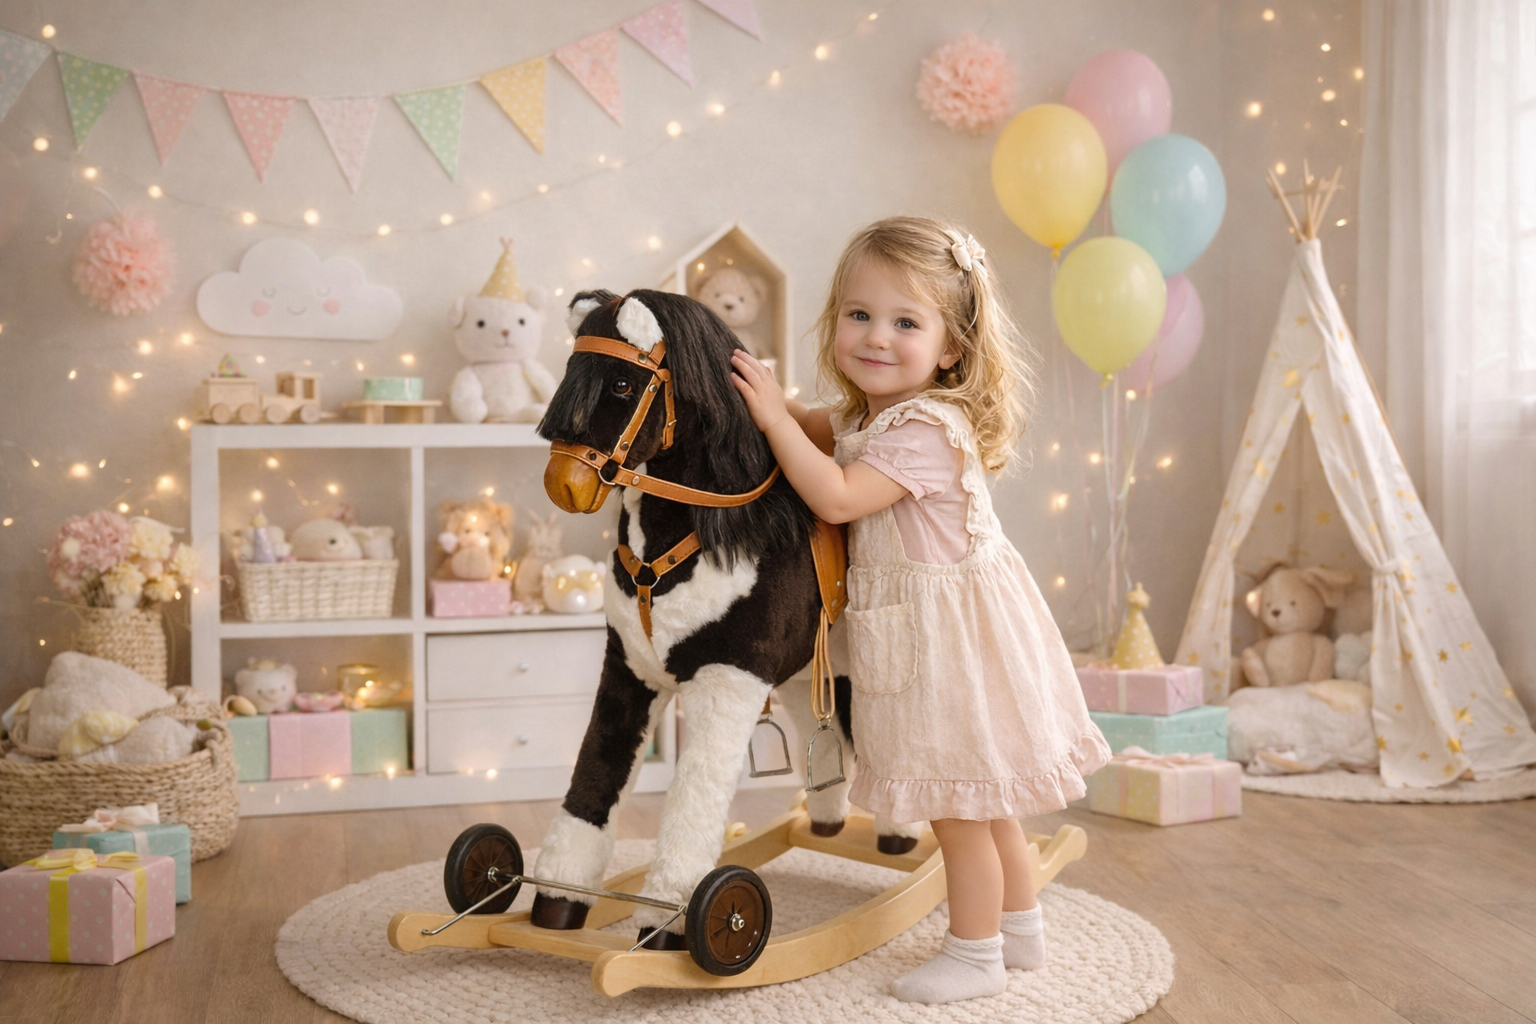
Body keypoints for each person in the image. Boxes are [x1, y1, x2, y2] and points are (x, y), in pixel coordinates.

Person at [731, 216, 1111, 1005]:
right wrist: (775, 407)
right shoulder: (870, 417)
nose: (876, 337)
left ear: (950, 349)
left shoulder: (927, 430)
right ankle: (1022, 926)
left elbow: (835, 492)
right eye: (859, 315)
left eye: (907, 322)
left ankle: (976, 954)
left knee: (958, 810)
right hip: (945, 636)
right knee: (988, 798)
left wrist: (774, 420)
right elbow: (820, 429)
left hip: (948, 650)